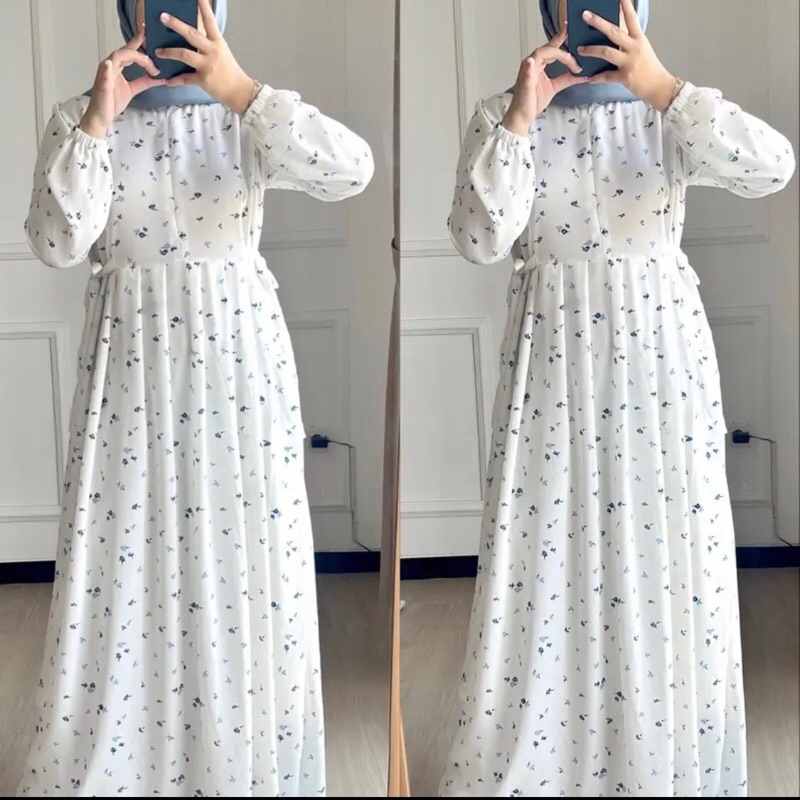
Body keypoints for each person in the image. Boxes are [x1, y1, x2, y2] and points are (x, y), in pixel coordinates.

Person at [18, 0, 373, 796]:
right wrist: (99, 121)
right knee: (125, 554)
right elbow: (56, 242)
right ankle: (129, 763)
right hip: (129, 368)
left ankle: (238, 758)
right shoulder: (80, 116)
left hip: (237, 364)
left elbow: (352, 170)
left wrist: (242, 90)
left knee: (246, 557)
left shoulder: (247, 109)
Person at [440, 0, 794, 796]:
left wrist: (663, 87)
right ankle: (552, 760)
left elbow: (772, 166)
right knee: (545, 549)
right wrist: (522, 119)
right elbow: (478, 239)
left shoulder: (670, 107)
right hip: (551, 360)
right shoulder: (504, 111)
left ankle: (658, 755)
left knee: (667, 552)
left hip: (658, 358)